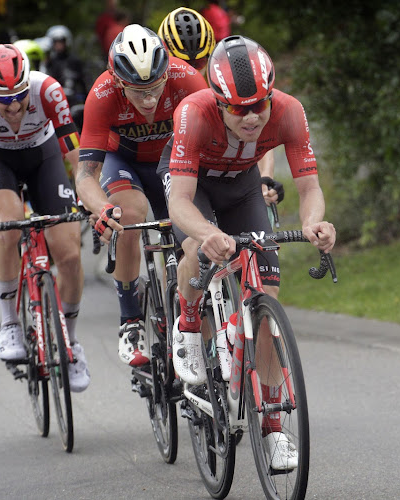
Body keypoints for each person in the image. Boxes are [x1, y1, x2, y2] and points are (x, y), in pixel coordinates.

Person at [159, 35, 336, 470]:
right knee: (198, 251)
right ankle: (187, 319)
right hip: (193, 185)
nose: (253, 116)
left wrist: (314, 222)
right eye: (239, 108)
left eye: (261, 103)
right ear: (218, 101)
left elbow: (309, 187)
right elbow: (179, 202)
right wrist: (205, 233)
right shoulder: (193, 114)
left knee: (267, 295)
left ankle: (273, 426)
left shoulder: (290, 111)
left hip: (242, 188)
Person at [73, 24, 207, 367]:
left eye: (155, 88)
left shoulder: (187, 78)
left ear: (167, 72)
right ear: (119, 82)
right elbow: (85, 174)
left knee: (190, 235)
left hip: (171, 161)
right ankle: (130, 321)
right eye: (137, 91)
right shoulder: (102, 95)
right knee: (127, 215)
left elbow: (212, 143)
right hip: (124, 162)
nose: (148, 100)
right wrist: (102, 208)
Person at [0, 44, 90, 392]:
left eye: (19, 96)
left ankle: (71, 343)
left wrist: (87, 197)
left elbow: (77, 158)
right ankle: (10, 324)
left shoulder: (47, 90)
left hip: (43, 156)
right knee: (7, 224)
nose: (14, 106)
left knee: (71, 254)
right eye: (4, 100)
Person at [157, 7, 282, 213]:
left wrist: (265, 178)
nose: (191, 71)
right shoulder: (152, 94)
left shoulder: (224, 83)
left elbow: (256, 138)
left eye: (199, 62)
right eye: (183, 63)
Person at [44, 25, 90, 109]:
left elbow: (83, 80)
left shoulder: (75, 60)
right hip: (57, 100)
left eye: (61, 42)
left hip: (75, 100)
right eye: (56, 42)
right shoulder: (50, 62)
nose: (59, 45)